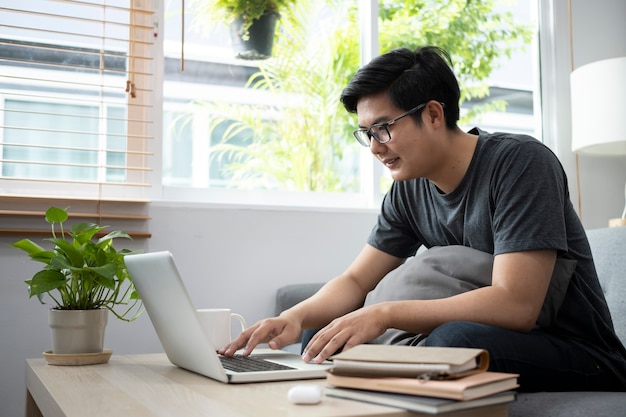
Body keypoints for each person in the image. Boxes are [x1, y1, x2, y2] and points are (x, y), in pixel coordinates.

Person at [220, 46, 626, 391]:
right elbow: (357, 280)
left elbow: (517, 304)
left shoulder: (520, 164)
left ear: (433, 114)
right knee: (323, 334)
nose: (375, 148)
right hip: (499, 336)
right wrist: (294, 317)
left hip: (577, 350)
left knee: (453, 339)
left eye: (383, 129)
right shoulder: (408, 187)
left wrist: (383, 314)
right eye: (366, 133)